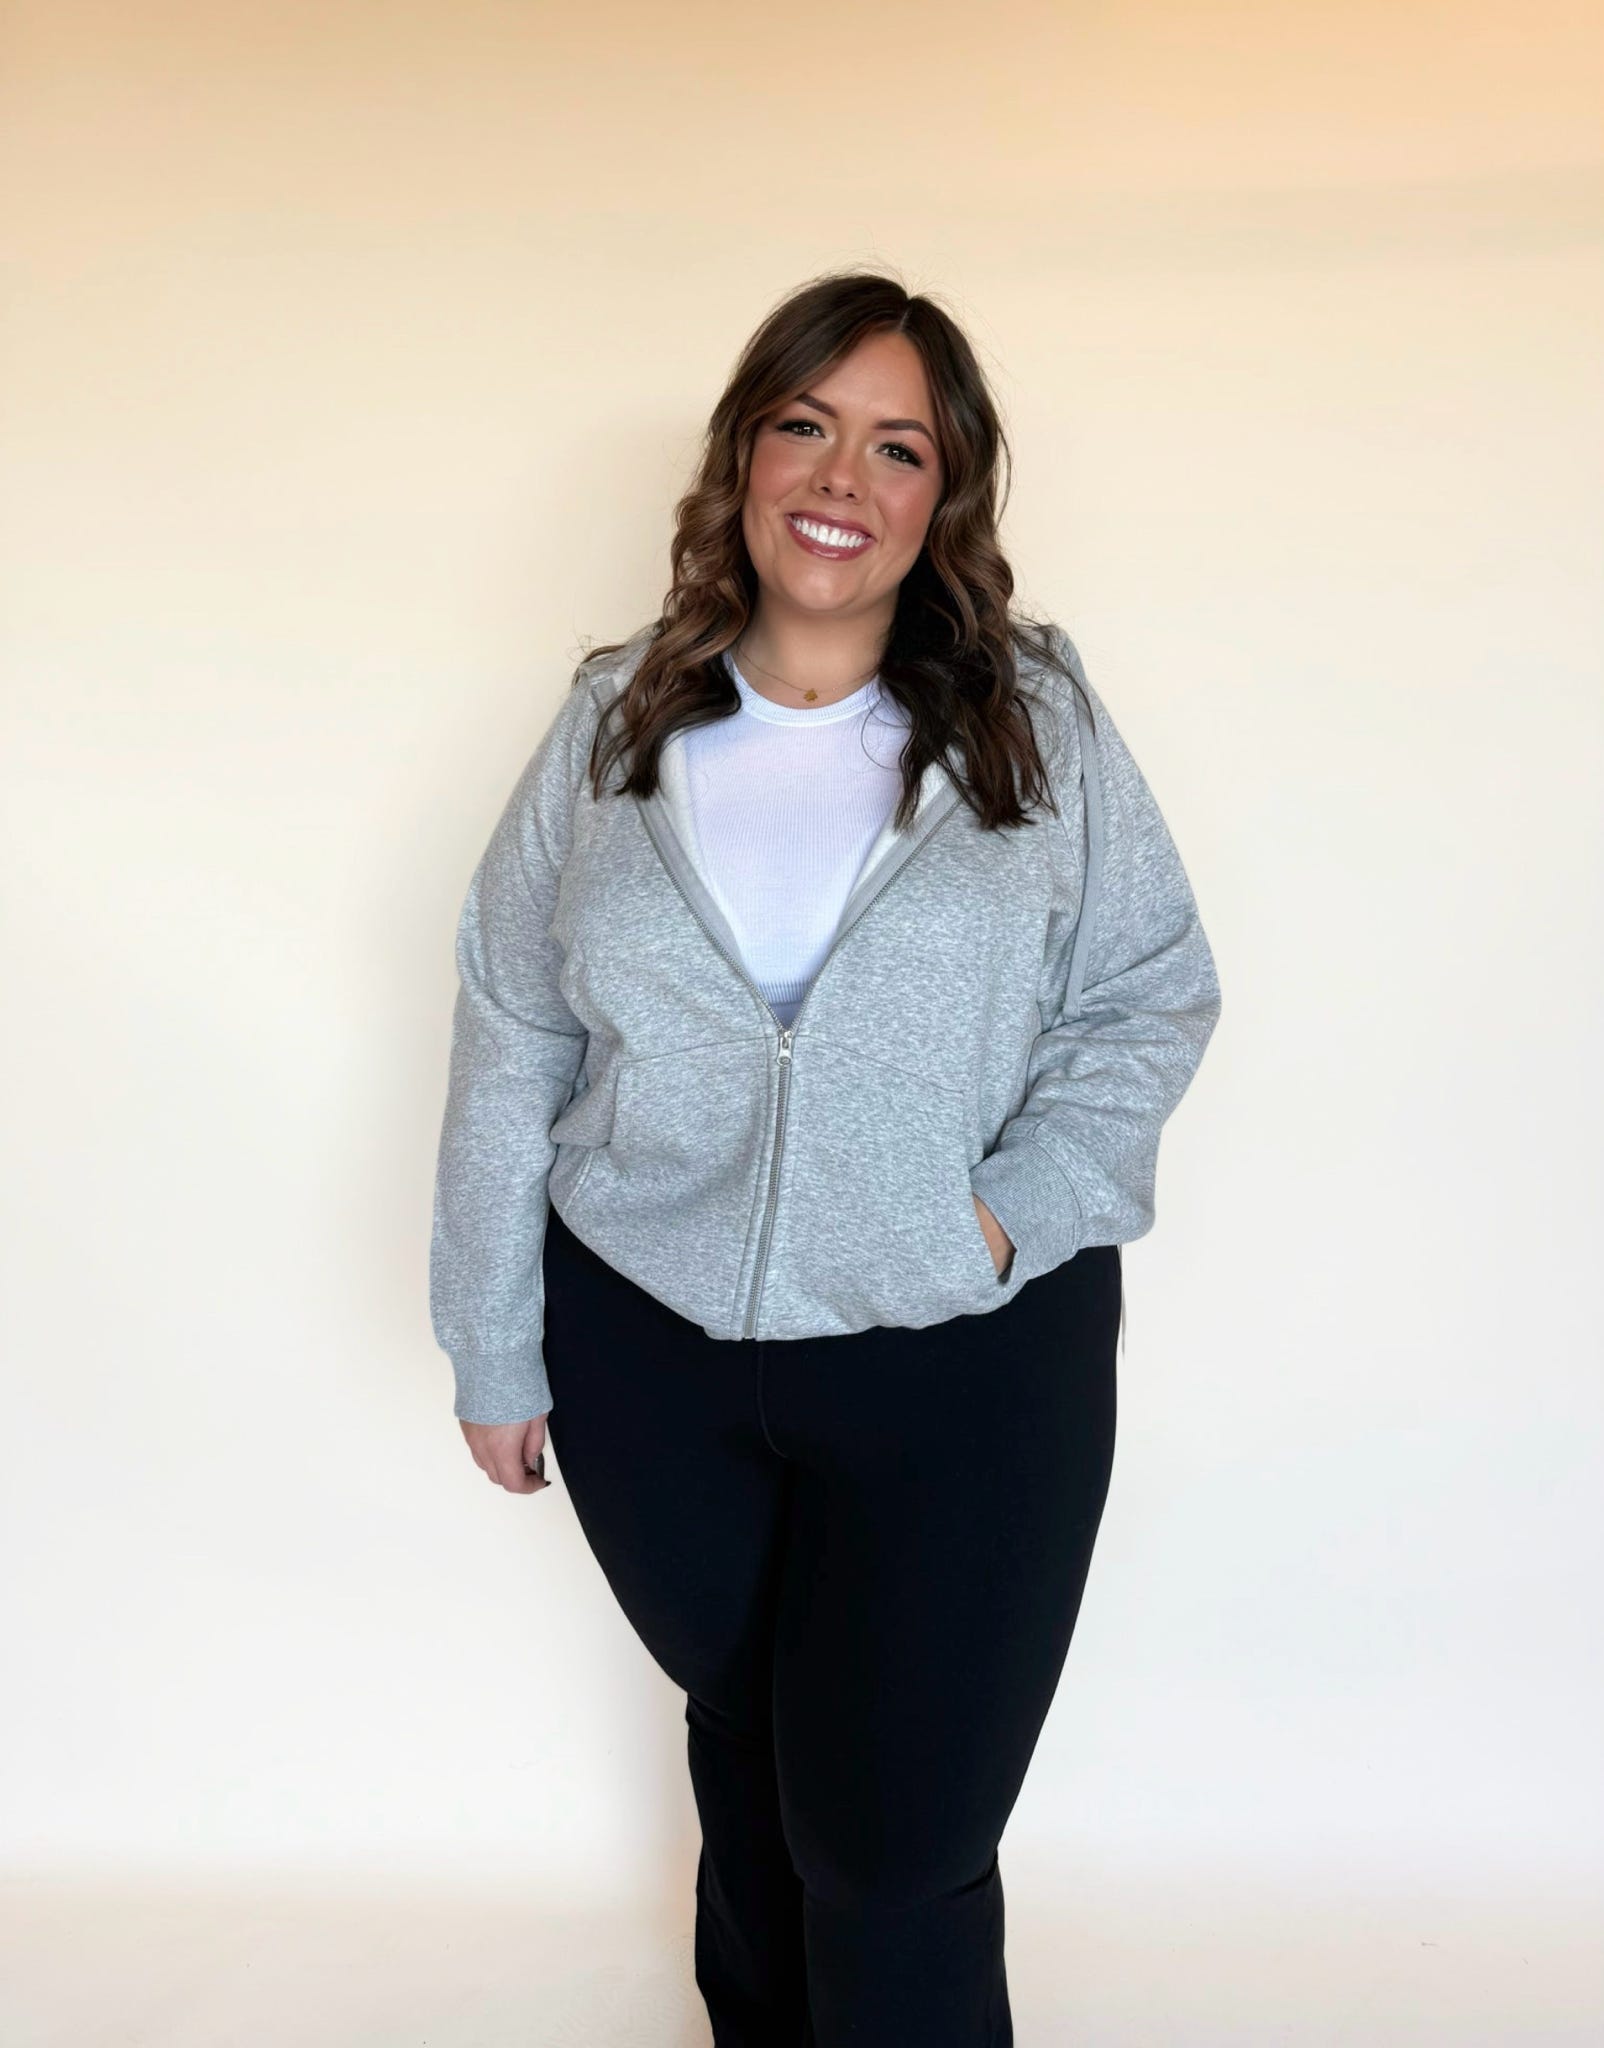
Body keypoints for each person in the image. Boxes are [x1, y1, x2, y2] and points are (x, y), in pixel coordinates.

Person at [429, 269, 1222, 2047]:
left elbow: (1151, 997)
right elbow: (510, 1025)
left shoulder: (1033, 722)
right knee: (757, 1762)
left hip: (966, 1351)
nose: (840, 475)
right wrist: (491, 1338)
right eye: (804, 423)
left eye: (897, 445)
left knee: (898, 1844)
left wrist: (1002, 1219)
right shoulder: (617, 718)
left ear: (946, 501)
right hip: (655, 1356)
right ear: (742, 457)